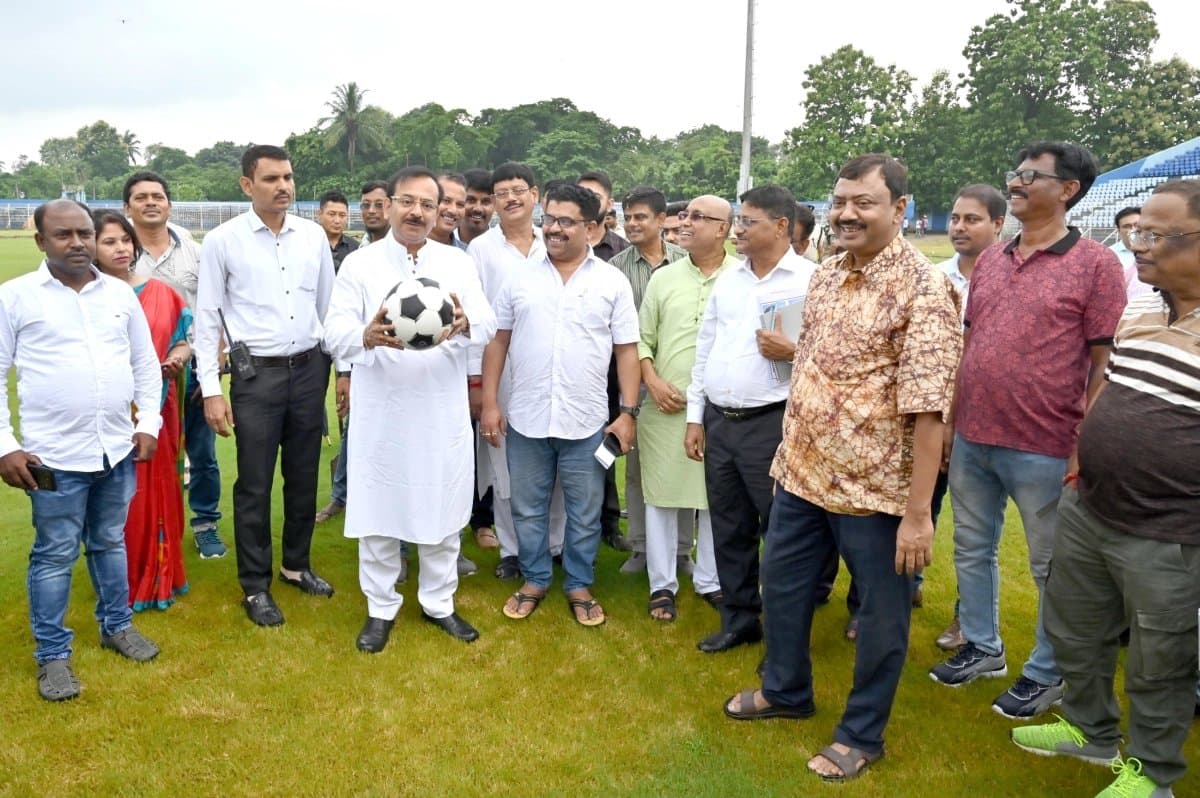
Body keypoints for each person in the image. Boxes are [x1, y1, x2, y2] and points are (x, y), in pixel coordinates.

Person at [722, 155, 961, 783]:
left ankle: (861, 735)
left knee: (882, 617)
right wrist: (786, 460)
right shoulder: (826, 275)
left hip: (878, 494)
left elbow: (931, 409)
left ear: (900, 209)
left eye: (865, 202)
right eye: (840, 201)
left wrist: (917, 516)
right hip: (802, 476)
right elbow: (813, 366)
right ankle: (786, 693)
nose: (848, 213)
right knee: (785, 589)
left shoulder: (925, 289)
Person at [1010, 178, 1200, 798]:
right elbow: (1114, 389)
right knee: (1073, 632)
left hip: (1168, 533)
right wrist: (1082, 450)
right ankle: (1093, 736)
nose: (1137, 246)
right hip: (1091, 509)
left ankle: (1150, 775)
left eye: (1155, 235)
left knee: (1158, 663)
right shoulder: (1144, 306)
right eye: (1137, 231)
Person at [930, 142, 1126, 720]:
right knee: (971, 549)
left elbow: (1104, 364)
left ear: (1067, 189)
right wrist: (949, 420)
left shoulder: (1096, 264)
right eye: (1014, 174)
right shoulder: (993, 258)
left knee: (1052, 567)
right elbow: (971, 346)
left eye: (1028, 176)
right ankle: (982, 647)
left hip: (1047, 445)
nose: (1014, 184)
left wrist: (1082, 440)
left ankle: (1047, 671)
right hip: (974, 436)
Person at [324, 166, 495, 652]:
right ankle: (380, 608)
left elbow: (487, 319)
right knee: (379, 508)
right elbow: (332, 332)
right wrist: (363, 336)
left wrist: (465, 324)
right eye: (407, 201)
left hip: (441, 406)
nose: (416, 212)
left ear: (439, 209)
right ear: (390, 204)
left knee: (442, 507)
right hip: (382, 406)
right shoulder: (360, 265)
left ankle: (439, 602)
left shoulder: (458, 263)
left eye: (427, 204)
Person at [0, 199, 163, 701]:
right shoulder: (16, 297)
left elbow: (145, 363)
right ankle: (52, 656)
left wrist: (149, 421)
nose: (78, 244)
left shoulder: (117, 293)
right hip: (53, 459)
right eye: (64, 235)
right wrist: (5, 445)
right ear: (41, 242)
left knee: (109, 542)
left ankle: (117, 626)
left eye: (84, 233)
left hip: (115, 451)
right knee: (53, 555)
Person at [480, 183, 640, 627]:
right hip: (527, 419)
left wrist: (628, 414)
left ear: (591, 228)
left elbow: (627, 350)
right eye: (549, 218)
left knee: (584, 511)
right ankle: (533, 578)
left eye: (565, 221)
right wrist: (490, 402)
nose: (552, 228)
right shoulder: (520, 279)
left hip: (588, 421)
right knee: (527, 508)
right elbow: (498, 341)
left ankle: (578, 583)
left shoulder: (611, 281)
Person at [195, 144, 336, 627]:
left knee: (303, 477)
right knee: (254, 483)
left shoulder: (314, 236)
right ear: (246, 185)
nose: (284, 187)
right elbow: (209, 319)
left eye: (289, 177)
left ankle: (296, 566)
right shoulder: (222, 241)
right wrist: (211, 389)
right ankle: (255, 586)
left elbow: (329, 310)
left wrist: (345, 374)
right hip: (256, 377)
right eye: (272, 178)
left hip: (310, 368)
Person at [685, 185, 817, 654]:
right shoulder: (730, 279)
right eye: (737, 221)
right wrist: (695, 417)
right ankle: (740, 619)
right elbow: (705, 349)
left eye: (747, 222)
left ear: (781, 226)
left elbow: (833, 359)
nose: (737, 230)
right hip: (721, 423)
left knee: (782, 533)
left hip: (774, 424)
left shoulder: (810, 280)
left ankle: (786, 633)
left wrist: (794, 351)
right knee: (729, 525)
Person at [636, 194, 737, 620]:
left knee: (717, 498)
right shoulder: (663, 278)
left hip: (721, 411)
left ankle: (711, 580)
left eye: (699, 217)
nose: (686, 222)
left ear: (723, 229)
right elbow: (641, 340)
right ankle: (662, 584)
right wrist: (652, 381)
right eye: (685, 215)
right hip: (664, 407)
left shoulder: (741, 279)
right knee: (660, 498)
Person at [468, 163, 566, 578]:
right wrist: (478, 384)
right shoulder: (482, 251)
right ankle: (513, 548)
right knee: (504, 460)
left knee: (559, 454)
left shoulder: (557, 241)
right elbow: (475, 320)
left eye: (518, 190)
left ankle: (556, 545)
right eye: (501, 192)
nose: (510, 198)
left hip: (554, 367)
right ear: (492, 202)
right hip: (501, 371)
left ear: (535, 196)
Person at [124, 171, 227, 560]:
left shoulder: (195, 250)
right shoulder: (117, 251)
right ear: (127, 207)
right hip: (136, 378)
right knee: (144, 453)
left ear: (169, 204)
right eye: (141, 197)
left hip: (195, 368)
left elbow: (215, 305)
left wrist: (215, 354)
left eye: (158, 196)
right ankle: (147, 530)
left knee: (202, 452)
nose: (151, 202)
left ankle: (205, 524)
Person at [93, 210, 192, 612]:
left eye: (124, 240)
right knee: (116, 498)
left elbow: (186, 339)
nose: (119, 248)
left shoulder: (162, 292)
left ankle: (161, 573)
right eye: (108, 241)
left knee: (156, 489)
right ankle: (119, 578)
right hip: (105, 412)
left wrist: (177, 357)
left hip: (157, 409)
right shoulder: (86, 298)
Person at [934, 183, 1007, 651]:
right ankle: (907, 583)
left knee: (978, 531)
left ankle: (970, 619)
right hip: (932, 416)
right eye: (955, 218)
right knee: (921, 508)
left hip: (990, 420)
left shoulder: (1008, 278)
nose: (959, 227)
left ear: (999, 224)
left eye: (972, 219)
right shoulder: (934, 277)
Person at [609, 186, 688, 577]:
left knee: (686, 464)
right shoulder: (616, 268)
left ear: (662, 220)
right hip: (636, 383)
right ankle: (641, 547)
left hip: (680, 383)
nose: (633, 223)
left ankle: (683, 552)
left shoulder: (685, 264)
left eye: (641, 217)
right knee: (639, 468)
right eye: (629, 216)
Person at [316, 180, 390, 526]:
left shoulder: (413, 254)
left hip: (404, 367)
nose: (372, 211)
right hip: (352, 354)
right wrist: (344, 372)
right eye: (367, 205)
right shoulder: (358, 258)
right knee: (352, 427)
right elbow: (343, 319)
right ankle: (342, 496)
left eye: (379, 204)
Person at [578, 170, 630, 262]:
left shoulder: (624, 251)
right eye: (581, 196)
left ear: (609, 204)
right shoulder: (561, 245)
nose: (587, 202)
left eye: (596, 198)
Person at [1110, 206, 1154, 302]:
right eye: (1127, 226)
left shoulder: (1158, 252)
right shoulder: (1108, 255)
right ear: (1118, 231)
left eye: (1137, 225)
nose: (1133, 230)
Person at [317, 190, 359, 271]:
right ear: (319, 215)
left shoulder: (356, 249)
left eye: (342, 215)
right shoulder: (309, 246)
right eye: (332, 214)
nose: (337, 220)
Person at [430, 173, 469, 251]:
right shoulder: (405, 247)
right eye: (446, 201)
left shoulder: (467, 253)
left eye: (460, 204)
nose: (453, 210)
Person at [458, 168, 494, 247]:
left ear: (495, 205)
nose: (478, 209)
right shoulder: (442, 242)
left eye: (486, 202)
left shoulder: (502, 247)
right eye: (471, 200)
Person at [358, 180, 392, 246]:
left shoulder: (406, 248)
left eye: (379, 205)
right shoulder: (363, 245)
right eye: (366, 204)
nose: (371, 211)